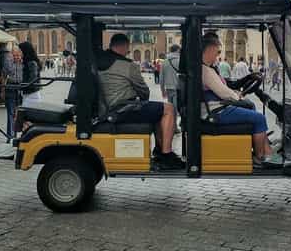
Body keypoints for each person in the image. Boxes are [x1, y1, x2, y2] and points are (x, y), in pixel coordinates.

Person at [96, 33, 182, 169]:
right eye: (127, 49)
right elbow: (144, 91)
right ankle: (166, 155)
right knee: (169, 109)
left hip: (107, 108)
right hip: (122, 109)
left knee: (156, 111)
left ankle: (159, 150)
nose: (128, 52)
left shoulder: (99, 61)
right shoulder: (128, 65)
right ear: (125, 46)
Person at [200, 34, 276, 167]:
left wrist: (242, 85)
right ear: (210, 49)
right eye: (217, 51)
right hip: (215, 111)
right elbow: (223, 92)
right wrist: (238, 96)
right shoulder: (205, 70)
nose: (217, 55)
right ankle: (260, 157)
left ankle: (265, 148)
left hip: (215, 107)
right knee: (259, 118)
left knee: (252, 110)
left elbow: (225, 86)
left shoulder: (208, 68)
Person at [2, 46, 23, 140]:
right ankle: (10, 137)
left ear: (21, 55)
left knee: (19, 113)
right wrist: (2, 90)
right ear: (11, 55)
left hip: (21, 88)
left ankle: (18, 135)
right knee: (10, 113)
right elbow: (4, 75)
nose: (16, 57)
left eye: (18, 55)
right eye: (14, 55)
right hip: (10, 88)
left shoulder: (24, 63)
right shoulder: (8, 62)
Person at [159, 44, 181, 132]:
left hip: (168, 88)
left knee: (170, 109)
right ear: (177, 50)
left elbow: (161, 78)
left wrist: (162, 90)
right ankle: (174, 127)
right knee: (175, 109)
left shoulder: (164, 62)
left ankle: (171, 126)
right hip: (178, 88)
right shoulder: (180, 61)